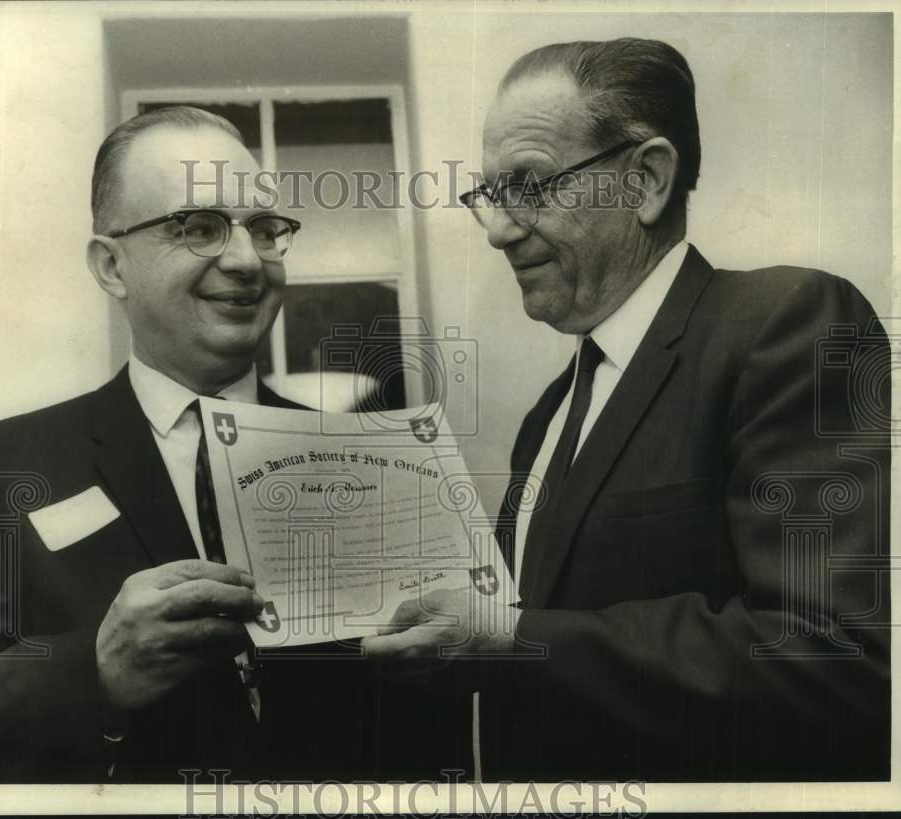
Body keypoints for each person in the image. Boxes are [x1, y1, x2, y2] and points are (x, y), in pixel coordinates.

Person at [364, 39, 891, 781]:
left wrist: (515, 637)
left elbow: (830, 657)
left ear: (645, 180)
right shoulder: (548, 416)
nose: (498, 230)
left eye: (531, 186)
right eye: (489, 194)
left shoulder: (788, 322)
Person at [0, 106, 467, 783]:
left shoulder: (374, 463)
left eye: (264, 229)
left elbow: (435, 730)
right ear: (111, 265)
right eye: (200, 228)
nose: (245, 260)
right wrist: (93, 672)